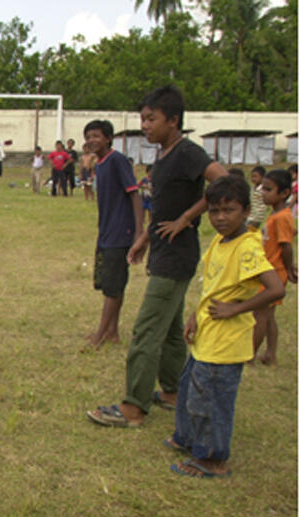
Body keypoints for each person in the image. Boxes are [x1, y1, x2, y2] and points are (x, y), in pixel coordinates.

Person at [87, 84, 227, 428]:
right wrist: (144, 238)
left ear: (173, 120)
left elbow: (224, 181)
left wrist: (187, 218)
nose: (146, 125)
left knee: (148, 328)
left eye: (152, 119)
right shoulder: (163, 156)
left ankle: (133, 406)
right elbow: (165, 207)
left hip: (178, 255)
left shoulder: (188, 152)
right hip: (162, 250)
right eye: (143, 119)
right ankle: (173, 391)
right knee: (169, 327)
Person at [165, 176, 283, 478]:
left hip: (225, 344)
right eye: (214, 211)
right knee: (190, 389)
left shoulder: (247, 247)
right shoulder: (221, 240)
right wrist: (195, 315)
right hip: (208, 335)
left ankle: (212, 460)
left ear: (245, 211)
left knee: (212, 402)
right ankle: (187, 438)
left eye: (228, 210)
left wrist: (236, 308)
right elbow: (215, 287)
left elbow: (274, 289)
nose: (220, 218)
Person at [83, 120, 144, 349]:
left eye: (96, 136)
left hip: (120, 233)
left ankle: (101, 334)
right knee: (110, 282)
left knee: (113, 286)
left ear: (108, 138)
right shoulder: (100, 164)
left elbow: (134, 194)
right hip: (106, 232)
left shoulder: (117, 160)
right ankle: (112, 331)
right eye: (88, 136)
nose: (92, 141)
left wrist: (139, 231)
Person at [252, 169, 297, 365]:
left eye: (269, 190)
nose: (264, 194)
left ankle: (249, 355)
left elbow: (286, 246)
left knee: (259, 314)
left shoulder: (281, 217)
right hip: (270, 270)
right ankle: (270, 355)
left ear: (284, 193)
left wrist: (289, 268)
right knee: (268, 315)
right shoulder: (277, 215)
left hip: (274, 272)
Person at [247, 166, 267, 230]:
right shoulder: (253, 188)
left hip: (258, 216)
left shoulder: (263, 189)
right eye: (252, 176)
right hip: (251, 214)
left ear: (263, 177)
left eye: (255, 176)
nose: (253, 179)